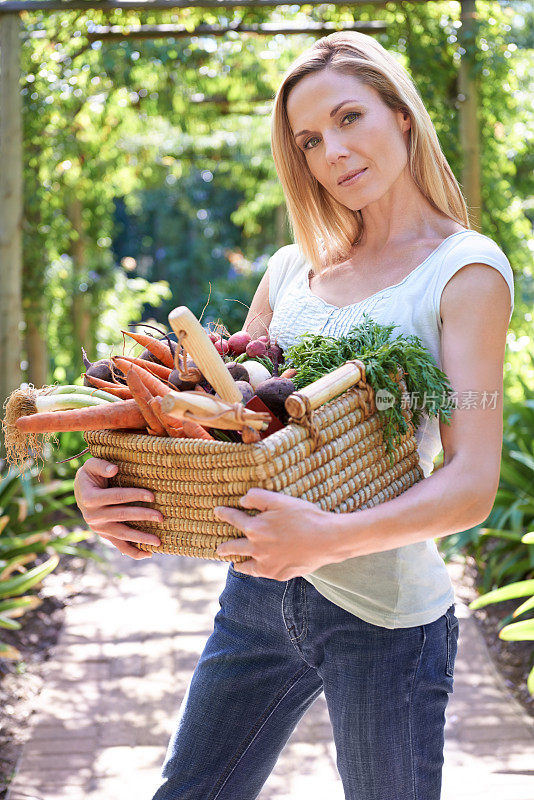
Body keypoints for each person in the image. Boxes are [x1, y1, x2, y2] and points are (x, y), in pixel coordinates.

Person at [74, 31, 514, 800]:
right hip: (255, 597)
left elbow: (473, 482)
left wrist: (327, 538)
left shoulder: (464, 270)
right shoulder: (290, 270)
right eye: (310, 140)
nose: (332, 152)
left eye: (350, 118)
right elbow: (231, 437)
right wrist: (117, 490)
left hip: (385, 621)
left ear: (402, 116)